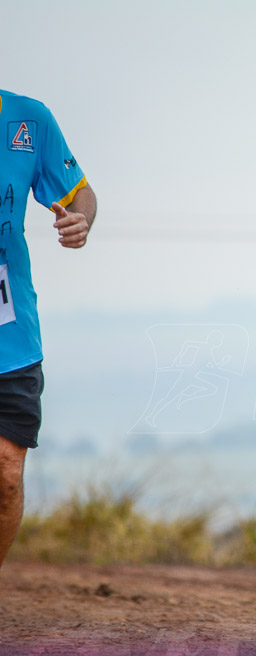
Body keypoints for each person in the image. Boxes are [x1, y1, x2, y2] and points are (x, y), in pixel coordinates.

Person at [0, 89, 96, 569]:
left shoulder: (28, 120)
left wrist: (81, 221)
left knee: (7, 475)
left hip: (12, 333)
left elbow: (79, 193)